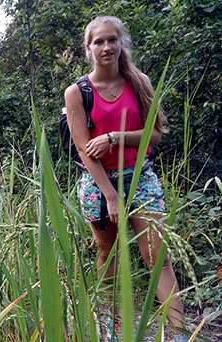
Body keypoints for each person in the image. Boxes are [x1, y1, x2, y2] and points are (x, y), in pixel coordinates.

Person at [64, 16, 185, 340]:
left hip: (140, 176)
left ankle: (180, 332)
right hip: (99, 182)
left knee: (157, 256)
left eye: (111, 40)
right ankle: (110, 329)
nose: (106, 47)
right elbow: (82, 148)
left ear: (121, 43)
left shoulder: (139, 82)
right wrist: (111, 195)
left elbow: (155, 134)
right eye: (99, 42)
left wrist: (115, 136)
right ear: (88, 49)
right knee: (109, 253)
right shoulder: (77, 92)